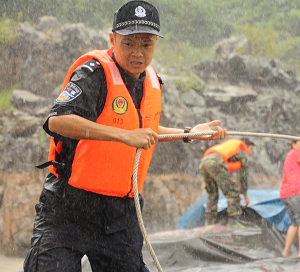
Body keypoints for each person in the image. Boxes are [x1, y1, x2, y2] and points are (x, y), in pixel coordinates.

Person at [23, 1, 226, 271]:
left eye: (146, 44)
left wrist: (189, 133)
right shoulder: (92, 74)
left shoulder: (150, 80)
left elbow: (146, 130)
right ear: (112, 39)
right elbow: (58, 120)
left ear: (155, 44)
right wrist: (123, 135)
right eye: (128, 43)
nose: (137, 53)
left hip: (121, 214)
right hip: (68, 209)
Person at [199, 138, 255, 227]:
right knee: (233, 192)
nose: (251, 153)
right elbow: (243, 176)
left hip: (204, 163)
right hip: (215, 163)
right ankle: (233, 223)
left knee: (212, 194)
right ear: (246, 146)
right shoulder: (241, 151)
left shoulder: (231, 150)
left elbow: (227, 177)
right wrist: (245, 195)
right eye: (251, 149)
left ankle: (209, 222)